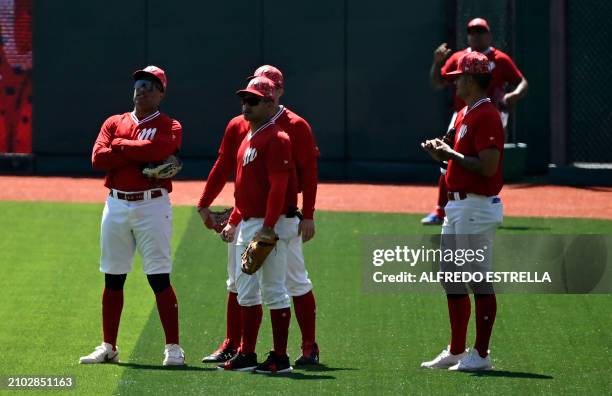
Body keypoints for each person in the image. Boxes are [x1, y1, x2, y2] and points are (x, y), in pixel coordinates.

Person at [198, 65, 320, 366]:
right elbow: (226, 167)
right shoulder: (241, 126)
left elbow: (307, 173)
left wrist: (308, 214)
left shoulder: (292, 127)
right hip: (248, 215)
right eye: (247, 97)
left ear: (277, 94)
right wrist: (208, 205)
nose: (248, 104)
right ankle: (237, 346)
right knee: (239, 282)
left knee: (292, 283)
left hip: (280, 218)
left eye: (263, 93)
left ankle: (304, 349)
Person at [80, 66, 185, 366]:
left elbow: (161, 148)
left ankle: (173, 348)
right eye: (140, 83)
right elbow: (98, 158)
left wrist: (122, 146)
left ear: (161, 93)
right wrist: (140, 152)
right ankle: (109, 346)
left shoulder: (169, 124)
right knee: (113, 277)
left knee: (159, 278)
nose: (143, 89)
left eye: (151, 85)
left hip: (152, 205)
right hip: (116, 205)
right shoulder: (114, 121)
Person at [420, 51, 504, 371]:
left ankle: (480, 355)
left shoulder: (486, 115)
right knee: (451, 276)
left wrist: (450, 153)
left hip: (475, 205)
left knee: (477, 278)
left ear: (471, 79)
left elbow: (488, 166)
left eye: (458, 78)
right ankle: (457, 350)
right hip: (457, 204)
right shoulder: (466, 113)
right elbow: (455, 160)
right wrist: (440, 153)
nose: (454, 83)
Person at [213, 76, 298, 374]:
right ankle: (247, 354)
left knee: (274, 290)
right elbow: (243, 190)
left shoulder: (277, 138)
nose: (245, 105)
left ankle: (280, 357)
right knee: (246, 291)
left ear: (270, 102)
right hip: (247, 222)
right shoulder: (249, 136)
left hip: (265, 224)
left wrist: (268, 227)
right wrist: (235, 220)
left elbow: (279, 187)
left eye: (252, 100)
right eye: (244, 99)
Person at [422, 17, 527, 226]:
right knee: (451, 162)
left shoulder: (499, 61)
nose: (475, 35)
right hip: (465, 115)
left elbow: (521, 82)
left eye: (480, 31)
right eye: (472, 31)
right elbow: (437, 81)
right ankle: (440, 208)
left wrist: (513, 96)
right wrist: (442, 154)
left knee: (482, 157)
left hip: (474, 207)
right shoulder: (461, 59)